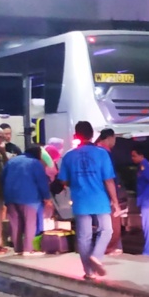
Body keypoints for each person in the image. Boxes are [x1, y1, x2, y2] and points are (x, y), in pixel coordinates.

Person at [56, 120, 120, 281]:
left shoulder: (69, 155)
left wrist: (76, 181)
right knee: (106, 230)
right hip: (99, 199)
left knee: (84, 236)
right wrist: (115, 201)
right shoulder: (101, 153)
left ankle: (89, 272)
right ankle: (97, 256)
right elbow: (109, 180)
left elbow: (63, 180)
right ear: (92, 135)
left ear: (75, 135)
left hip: (80, 199)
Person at [2, 144, 51, 255]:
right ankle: (28, 249)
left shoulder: (11, 161)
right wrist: (47, 198)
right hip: (29, 197)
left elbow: (2, 178)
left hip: (10, 196)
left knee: (15, 223)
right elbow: (41, 182)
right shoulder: (35, 163)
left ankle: (17, 248)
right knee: (30, 223)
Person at [96, 128, 124, 255]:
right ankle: (109, 248)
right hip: (107, 193)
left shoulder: (96, 150)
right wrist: (115, 199)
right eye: (114, 139)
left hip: (96, 193)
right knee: (113, 221)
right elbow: (109, 178)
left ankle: (113, 246)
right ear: (109, 138)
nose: (114, 142)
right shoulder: (104, 153)